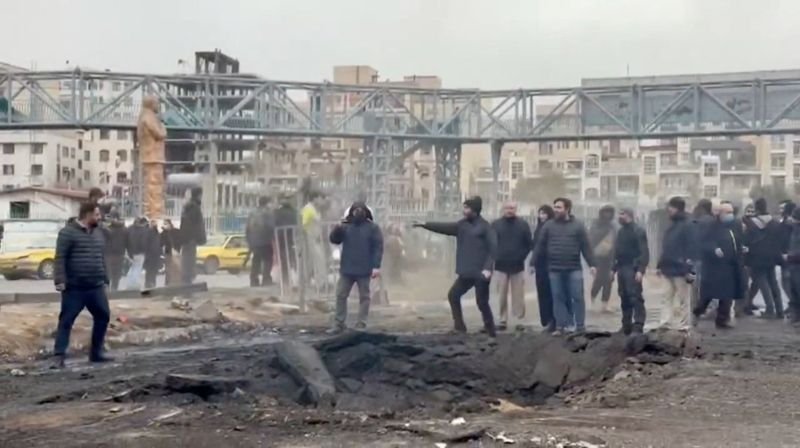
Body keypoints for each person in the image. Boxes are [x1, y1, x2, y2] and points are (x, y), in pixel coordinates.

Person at [413, 196, 498, 337]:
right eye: (464, 207)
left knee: (482, 302)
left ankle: (491, 330)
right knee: (453, 295)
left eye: (467, 208)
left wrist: (488, 268)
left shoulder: (485, 227)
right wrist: (425, 224)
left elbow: (493, 249)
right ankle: (459, 327)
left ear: (475, 210)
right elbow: (445, 228)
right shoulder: (462, 225)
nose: (464, 210)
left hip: (481, 273)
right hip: (466, 272)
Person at [52, 202, 112, 368]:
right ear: (88, 215)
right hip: (75, 288)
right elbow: (60, 258)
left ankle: (96, 353)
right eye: (97, 215)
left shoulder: (98, 233)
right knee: (66, 320)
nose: (99, 218)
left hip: (96, 286)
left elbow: (100, 257)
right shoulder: (67, 233)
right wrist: (60, 280)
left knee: (103, 316)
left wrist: (105, 278)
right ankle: (59, 356)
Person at [530, 197, 596, 335]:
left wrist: (592, 264)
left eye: (559, 207)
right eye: (555, 207)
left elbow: (586, 246)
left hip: (574, 268)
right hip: (554, 268)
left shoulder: (578, 225)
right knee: (557, 297)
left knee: (577, 297)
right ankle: (561, 326)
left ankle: (580, 326)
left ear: (567, 209)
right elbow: (540, 246)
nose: (555, 210)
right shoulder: (549, 226)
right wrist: (532, 263)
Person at [328, 202, 383, 333]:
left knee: (364, 297)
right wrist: (337, 230)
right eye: (355, 209)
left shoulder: (373, 228)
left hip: (364, 269)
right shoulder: (345, 227)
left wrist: (376, 266)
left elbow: (378, 248)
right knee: (341, 295)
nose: (358, 212)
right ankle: (339, 323)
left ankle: (361, 324)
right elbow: (335, 240)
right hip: (347, 268)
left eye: (360, 209)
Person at [693, 202, 747, 329]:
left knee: (727, 294)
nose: (730, 215)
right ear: (720, 213)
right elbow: (703, 242)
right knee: (709, 294)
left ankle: (722, 319)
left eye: (731, 212)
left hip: (730, 264)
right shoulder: (711, 226)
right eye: (727, 213)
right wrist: (714, 249)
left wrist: (741, 249)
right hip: (715, 266)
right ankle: (697, 312)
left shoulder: (735, 225)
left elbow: (737, 240)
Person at [491, 201, 532, 331]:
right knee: (501, 294)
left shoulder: (523, 225)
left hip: (518, 265)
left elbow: (528, 244)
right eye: (508, 208)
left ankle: (519, 320)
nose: (510, 210)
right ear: (503, 209)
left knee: (518, 295)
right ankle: (502, 319)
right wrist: (495, 256)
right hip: (500, 265)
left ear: (516, 209)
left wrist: (522, 256)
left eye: (513, 208)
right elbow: (490, 243)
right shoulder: (495, 224)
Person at [656, 197, 695, 329]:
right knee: (666, 296)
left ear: (677, 208)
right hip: (668, 267)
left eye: (671, 207)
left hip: (681, 268)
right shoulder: (672, 225)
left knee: (683, 298)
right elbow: (666, 247)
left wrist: (689, 269)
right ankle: (665, 322)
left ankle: (684, 325)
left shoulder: (688, 224)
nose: (668, 210)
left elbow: (692, 248)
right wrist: (660, 265)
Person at [742, 198, 783, 318]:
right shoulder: (775, 223)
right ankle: (779, 310)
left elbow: (746, 240)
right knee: (773, 282)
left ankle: (770, 309)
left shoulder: (751, 223)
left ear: (756, 208)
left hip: (756, 257)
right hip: (771, 257)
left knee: (762, 283)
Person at [612, 208, 650, 335]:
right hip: (622, 268)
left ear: (629, 215)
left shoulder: (638, 231)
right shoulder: (621, 231)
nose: (619, 216)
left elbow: (644, 252)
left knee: (635, 297)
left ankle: (638, 325)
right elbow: (616, 251)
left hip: (632, 268)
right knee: (624, 297)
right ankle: (626, 325)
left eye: (621, 214)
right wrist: (613, 269)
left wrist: (640, 270)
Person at [530, 205, 556, 332]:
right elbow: (535, 246)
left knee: (552, 293)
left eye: (544, 213)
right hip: (540, 265)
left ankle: (553, 320)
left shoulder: (552, 227)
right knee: (542, 292)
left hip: (551, 264)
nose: (542, 216)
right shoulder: (538, 229)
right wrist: (532, 263)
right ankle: (545, 320)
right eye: (540, 213)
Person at [588, 205, 617, 312]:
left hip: (610, 258)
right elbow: (591, 239)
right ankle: (592, 300)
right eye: (606, 212)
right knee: (599, 280)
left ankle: (605, 304)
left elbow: (615, 240)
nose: (608, 214)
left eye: (610, 212)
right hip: (598, 257)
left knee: (609, 280)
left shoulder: (612, 226)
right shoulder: (596, 224)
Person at [246, 196, 277, 287]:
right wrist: (273, 237)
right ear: (267, 203)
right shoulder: (268, 213)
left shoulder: (252, 213)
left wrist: (249, 240)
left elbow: (247, 228)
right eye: (270, 203)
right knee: (268, 260)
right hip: (265, 240)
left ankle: (253, 280)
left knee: (256, 260)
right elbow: (271, 227)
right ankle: (266, 279)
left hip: (253, 241)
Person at [690, 199, 715, 309]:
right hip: (711, 256)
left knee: (698, 284)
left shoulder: (700, 221)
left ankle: (699, 306)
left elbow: (696, 238)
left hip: (700, 256)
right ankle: (711, 307)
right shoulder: (714, 220)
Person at [302, 191, 329, 290]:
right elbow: (303, 223)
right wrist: (308, 235)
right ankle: (321, 284)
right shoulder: (308, 209)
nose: (321, 201)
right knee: (319, 261)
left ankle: (307, 283)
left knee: (312, 262)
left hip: (315, 238)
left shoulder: (314, 209)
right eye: (320, 198)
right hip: (311, 238)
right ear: (314, 199)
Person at [180, 187, 206, 286]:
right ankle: (187, 280)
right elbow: (197, 226)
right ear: (198, 195)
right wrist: (200, 237)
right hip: (190, 238)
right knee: (189, 259)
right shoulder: (194, 208)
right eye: (201, 195)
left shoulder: (188, 208)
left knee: (188, 258)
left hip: (187, 238)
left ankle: (187, 278)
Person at [274, 195, 298, 287]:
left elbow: (274, 223)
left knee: (284, 259)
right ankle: (292, 279)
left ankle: (285, 279)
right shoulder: (294, 212)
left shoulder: (277, 212)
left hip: (281, 238)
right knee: (292, 258)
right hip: (291, 238)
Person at [782, 207, 800, 324]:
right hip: (793, 266)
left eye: (794, 217)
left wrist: (789, 257)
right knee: (793, 292)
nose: (791, 219)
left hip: (797, 264)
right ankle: (795, 315)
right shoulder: (794, 230)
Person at [779, 200, 797, 317]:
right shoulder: (787, 222)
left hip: (790, 257)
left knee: (788, 282)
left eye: (782, 208)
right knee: (787, 282)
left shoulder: (790, 224)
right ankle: (792, 306)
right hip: (787, 256)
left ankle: (794, 306)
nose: (780, 211)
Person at [123, 217, 148, 290]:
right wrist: (144, 251)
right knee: (137, 268)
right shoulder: (142, 230)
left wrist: (127, 251)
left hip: (130, 252)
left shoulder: (129, 229)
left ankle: (129, 283)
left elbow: (126, 240)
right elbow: (143, 242)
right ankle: (134, 284)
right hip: (139, 252)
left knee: (132, 267)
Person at [104, 214, 127, 291]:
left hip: (109, 252)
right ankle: (114, 288)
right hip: (119, 253)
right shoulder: (124, 229)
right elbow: (128, 242)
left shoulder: (108, 229)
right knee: (117, 272)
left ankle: (108, 288)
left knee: (108, 271)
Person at [161, 219, 181, 286]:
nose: (165, 225)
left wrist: (177, 249)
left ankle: (176, 284)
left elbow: (180, 241)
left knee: (176, 269)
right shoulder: (163, 233)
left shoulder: (176, 231)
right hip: (168, 253)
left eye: (166, 223)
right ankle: (167, 284)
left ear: (170, 224)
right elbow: (160, 243)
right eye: (164, 224)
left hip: (175, 253)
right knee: (168, 270)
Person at [144, 219, 162, 289]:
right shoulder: (148, 232)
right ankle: (148, 283)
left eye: (155, 222)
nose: (154, 224)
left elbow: (159, 243)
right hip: (150, 255)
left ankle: (153, 283)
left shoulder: (157, 232)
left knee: (154, 270)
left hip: (155, 255)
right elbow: (146, 243)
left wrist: (160, 252)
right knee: (149, 270)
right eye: (153, 223)